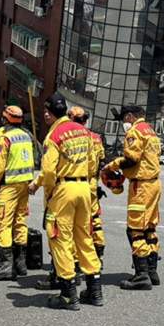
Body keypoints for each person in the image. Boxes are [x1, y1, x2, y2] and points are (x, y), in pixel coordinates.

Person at [29, 94, 102, 309]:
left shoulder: (54, 136)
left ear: (49, 112)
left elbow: (49, 170)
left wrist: (49, 192)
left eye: (45, 111)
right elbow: (92, 164)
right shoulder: (83, 132)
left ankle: (69, 294)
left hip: (63, 190)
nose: (44, 114)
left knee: (60, 239)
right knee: (84, 238)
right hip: (84, 188)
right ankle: (95, 291)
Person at [102, 105, 162, 290]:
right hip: (154, 184)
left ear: (129, 116)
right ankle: (152, 271)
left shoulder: (135, 132)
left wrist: (113, 164)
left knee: (135, 230)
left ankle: (141, 275)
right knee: (149, 228)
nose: (123, 124)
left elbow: (132, 159)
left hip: (141, 186)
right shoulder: (151, 131)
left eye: (123, 120)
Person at [0, 106, 35, 280]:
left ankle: (6, 266)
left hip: (9, 185)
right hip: (24, 184)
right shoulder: (26, 135)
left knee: (2, 224)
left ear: (5, 120)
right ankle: (20, 263)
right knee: (20, 221)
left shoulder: (5, 138)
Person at [69, 106, 106, 263]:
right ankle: (98, 249)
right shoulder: (96, 137)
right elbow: (102, 160)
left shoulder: (75, 136)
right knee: (94, 218)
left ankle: (76, 257)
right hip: (92, 182)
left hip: (78, 181)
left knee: (76, 222)